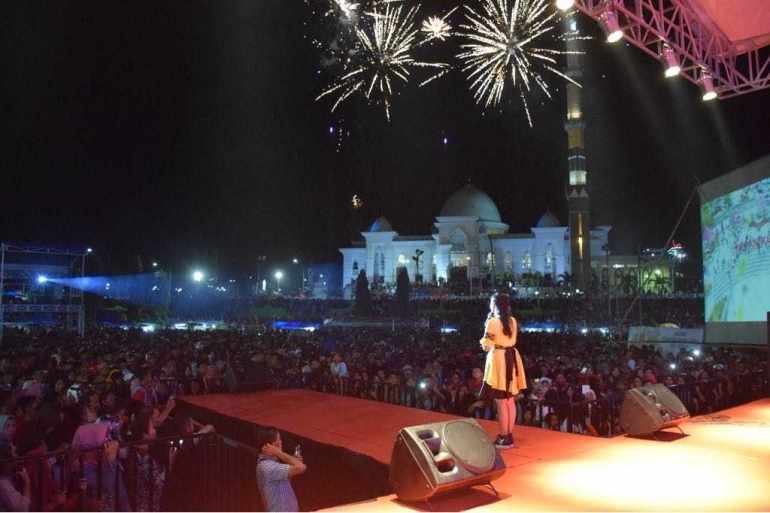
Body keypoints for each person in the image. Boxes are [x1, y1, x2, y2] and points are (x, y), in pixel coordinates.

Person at [480, 293, 527, 449]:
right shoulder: (512, 321)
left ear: (494, 304)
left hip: (500, 360)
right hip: (511, 358)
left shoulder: (493, 322)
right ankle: (509, 435)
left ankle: (504, 437)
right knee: (509, 400)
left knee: (501, 400)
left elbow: (486, 346)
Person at [256, 427, 306, 512]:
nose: (281, 441)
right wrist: (278, 453)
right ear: (273, 444)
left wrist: (292, 461)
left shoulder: (272, 463)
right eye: (279, 438)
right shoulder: (267, 466)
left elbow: (286, 481)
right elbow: (301, 467)